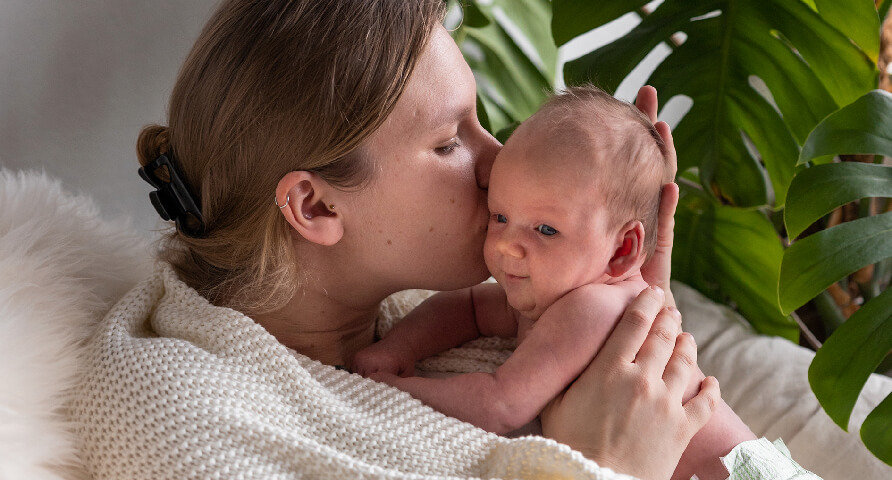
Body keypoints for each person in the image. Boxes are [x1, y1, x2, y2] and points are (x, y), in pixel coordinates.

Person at [68, 1, 820, 479]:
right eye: (449, 142)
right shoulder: (169, 406)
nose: (498, 164)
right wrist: (611, 466)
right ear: (314, 205)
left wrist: (621, 314)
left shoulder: (436, 310)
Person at [351, 85, 757, 480]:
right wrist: (399, 346)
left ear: (622, 250)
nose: (509, 247)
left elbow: (501, 403)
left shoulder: (593, 308)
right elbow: (471, 310)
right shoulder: (560, 291)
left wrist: (396, 388)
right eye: (501, 217)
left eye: (545, 229)